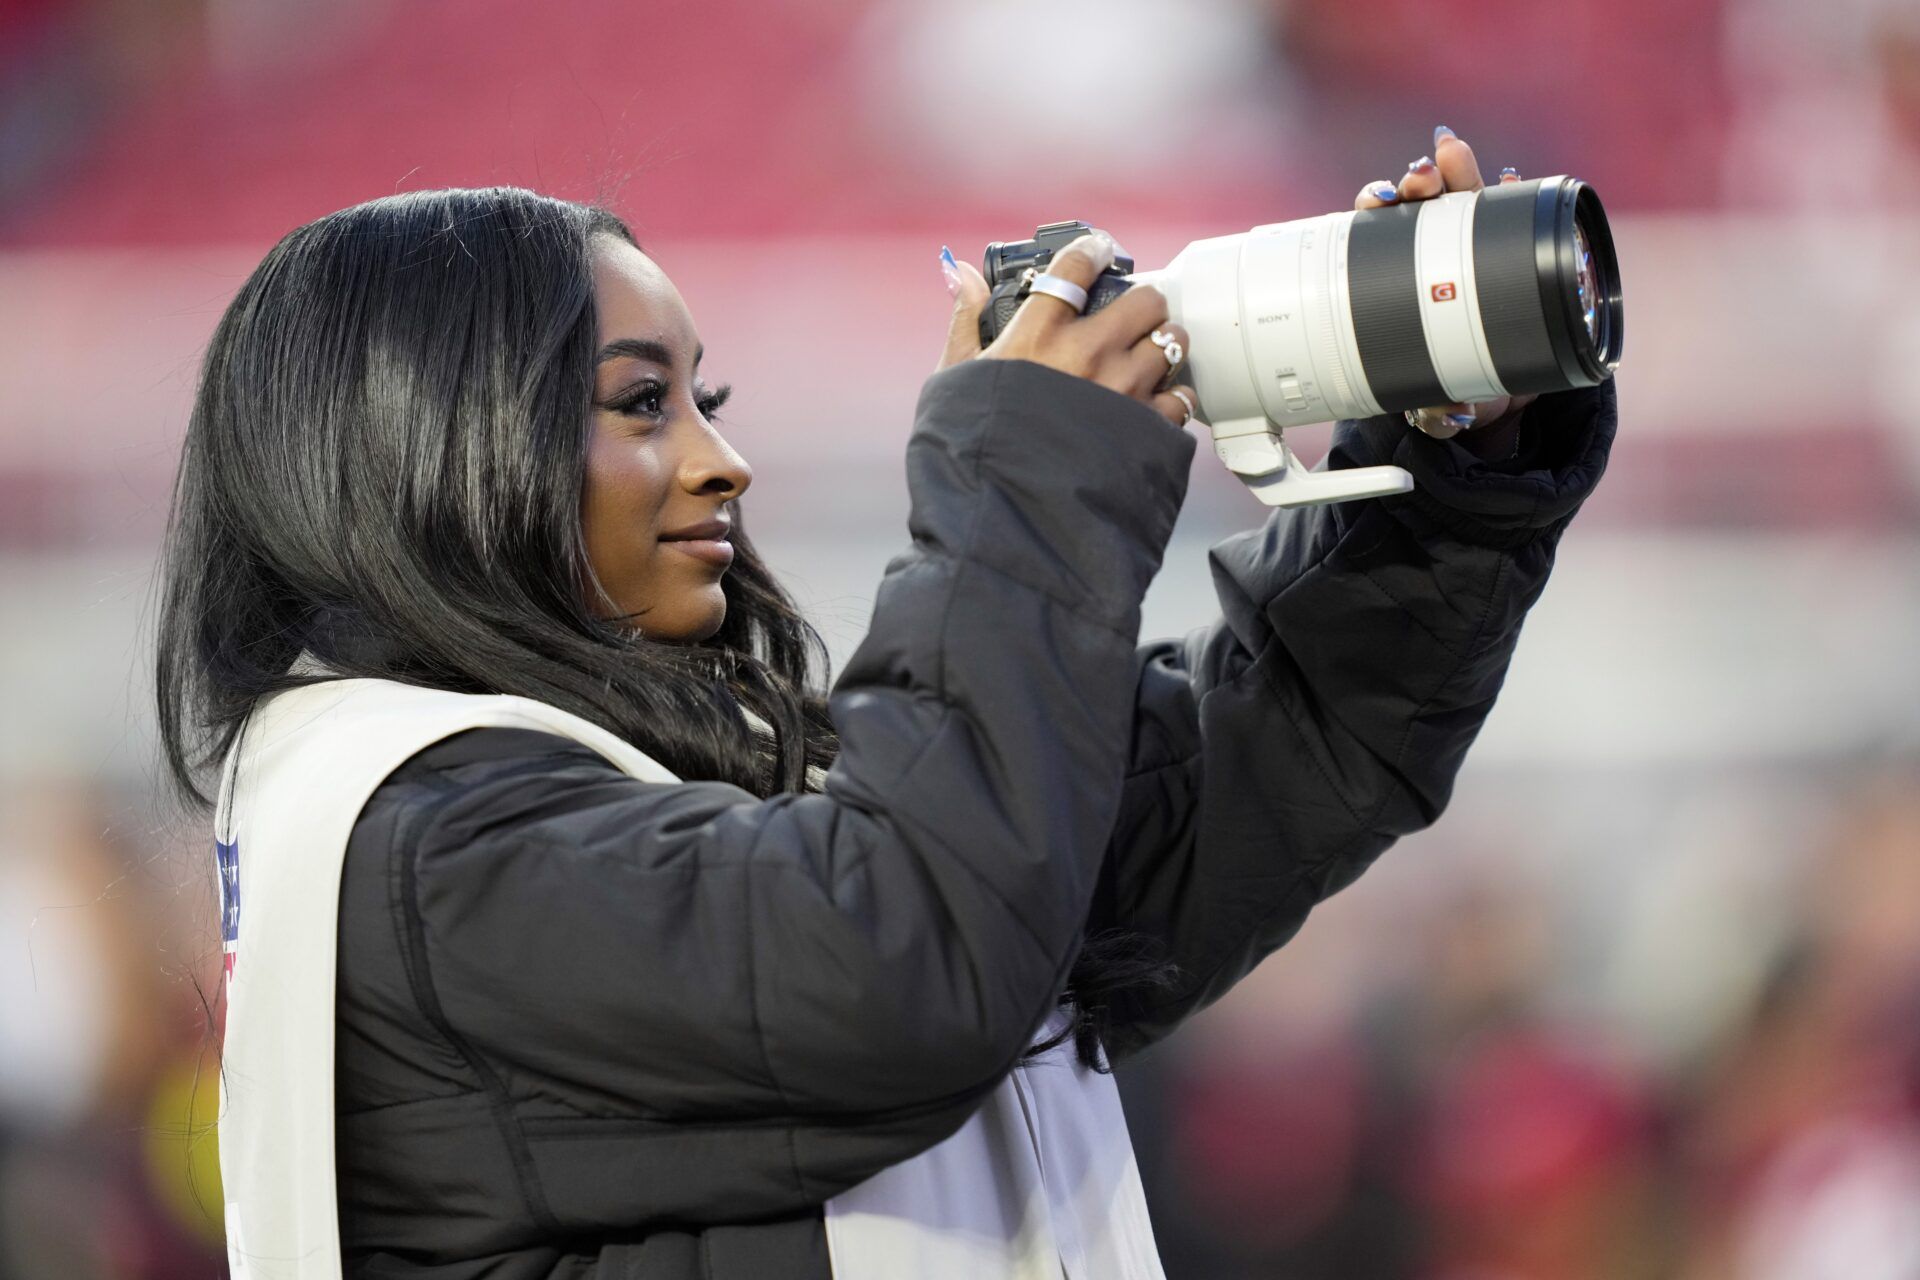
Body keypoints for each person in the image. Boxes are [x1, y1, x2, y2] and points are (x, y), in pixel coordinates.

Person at [155, 128, 1615, 1280]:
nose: (724, 463)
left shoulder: (671, 801)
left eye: (706, 399)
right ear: (438, 445)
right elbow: (900, 957)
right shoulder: (417, 844)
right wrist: (1029, 467)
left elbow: (1241, 775)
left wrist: (1446, 463)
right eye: (641, 403)